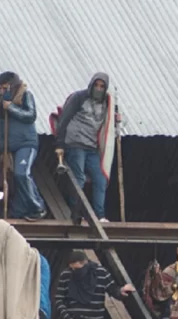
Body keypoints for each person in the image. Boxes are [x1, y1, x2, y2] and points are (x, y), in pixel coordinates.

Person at [0, 71, 46, 221]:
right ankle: (21, 209)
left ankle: (37, 207)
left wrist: (12, 108)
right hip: (7, 148)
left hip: (25, 143)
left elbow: (31, 116)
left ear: (12, 86)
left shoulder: (25, 95)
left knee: (22, 174)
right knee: (12, 180)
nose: (1, 91)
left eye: (4, 88)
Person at [54, 73, 118, 223]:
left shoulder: (107, 103)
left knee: (100, 179)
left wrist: (117, 119)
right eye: (96, 85)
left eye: (102, 86)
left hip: (92, 146)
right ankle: (77, 213)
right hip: (75, 142)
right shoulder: (79, 97)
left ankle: (99, 215)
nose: (98, 88)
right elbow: (64, 119)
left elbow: (111, 121)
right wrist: (59, 143)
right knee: (79, 178)